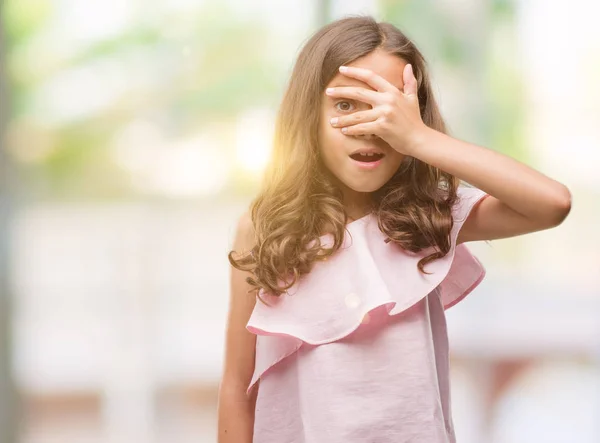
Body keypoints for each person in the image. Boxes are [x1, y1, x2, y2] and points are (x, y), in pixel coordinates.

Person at [217, 15, 571, 443]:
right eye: (346, 105)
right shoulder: (263, 230)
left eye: (389, 109)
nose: (370, 127)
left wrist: (419, 139)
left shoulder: (428, 215)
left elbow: (552, 204)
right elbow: (237, 389)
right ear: (308, 113)